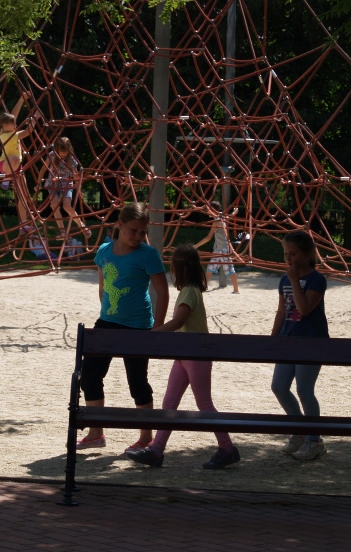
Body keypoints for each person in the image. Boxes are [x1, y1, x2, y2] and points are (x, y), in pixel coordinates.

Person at [126, 244, 240, 470]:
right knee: (169, 403)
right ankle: (156, 450)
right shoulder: (188, 290)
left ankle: (227, 448)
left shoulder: (189, 291)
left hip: (196, 354)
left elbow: (178, 321)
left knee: (204, 403)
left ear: (179, 269)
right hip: (184, 354)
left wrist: (153, 335)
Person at [77, 203, 169, 451]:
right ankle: (96, 433)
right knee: (90, 376)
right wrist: (107, 312)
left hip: (138, 326)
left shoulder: (148, 255)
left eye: (142, 232)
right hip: (107, 321)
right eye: (133, 230)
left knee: (137, 382)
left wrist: (158, 327)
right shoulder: (104, 252)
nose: (138, 236)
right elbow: (103, 286)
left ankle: (146, 437)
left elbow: (162, 291)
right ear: (120, 225)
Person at [270, 230, 329, 461]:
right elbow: (281, 311)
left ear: (307, 254)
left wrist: (295, 280)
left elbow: (304, 309)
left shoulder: (317, 280)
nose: (289, 259)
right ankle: (298, 429)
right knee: (279, 386)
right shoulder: (284, 279)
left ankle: (314, 441)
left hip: (311, 342)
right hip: (288, 341)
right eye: (286, 254)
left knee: (304, 389)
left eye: (293, 254)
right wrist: (272, 339)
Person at [0, 94, 37, 230]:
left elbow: (12, 116)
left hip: (17, 169)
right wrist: (35, 118)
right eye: (13, 123)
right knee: (16, 159)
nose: (15, 125)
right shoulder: (8, 135)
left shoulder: (6, 130)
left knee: (24, 196)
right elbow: (28, 131)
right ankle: (6, 179)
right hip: (5, 165)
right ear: (5, 125)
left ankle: (23, 224)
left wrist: (20, 100)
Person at [37, 136, 90, 239]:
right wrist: (38, 183)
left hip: (66, 183)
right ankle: (62, 232)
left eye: (65, 153)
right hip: (53, 183)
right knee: (54, 205)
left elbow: (76, 177)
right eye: (61, 153)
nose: (63, 155)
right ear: (56, 149)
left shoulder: (72, 159)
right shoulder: (52, 155)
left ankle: (82, 226)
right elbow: (43, 169)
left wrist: (79, 190)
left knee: (67, 206)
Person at [194, 200, 240, 293]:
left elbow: (208, 237)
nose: (207, 212)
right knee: (211, 268)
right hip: (218, 248)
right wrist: (234, 212)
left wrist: (196, 246)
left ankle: (236, 290)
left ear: (213, 210)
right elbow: (229, 217)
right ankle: (204, 287)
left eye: (209, 210)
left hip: (223, 248)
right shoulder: (221, 217)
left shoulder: (217, 221)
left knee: (229, 269)